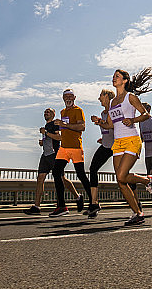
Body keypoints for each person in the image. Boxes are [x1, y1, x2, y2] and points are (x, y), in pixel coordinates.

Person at [97, 68, 152, 226]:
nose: (114, 78)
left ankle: (146, 180)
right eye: (113, 76)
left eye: (117, 77)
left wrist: (133, 120)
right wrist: (99, 122)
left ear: (124, 81)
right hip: (118, 142)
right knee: (120, 180)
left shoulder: (130, 97)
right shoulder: (112, 102)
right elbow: (110, 124)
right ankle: (138, 213)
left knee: (123, 176)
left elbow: (146, 114)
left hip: (132, 139)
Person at [23, 108, 81, 215]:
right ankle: (36, 207)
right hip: (45, 156)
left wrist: (47, 133)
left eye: (48, 112)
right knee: (40, 179)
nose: (46, 113)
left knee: (62, 179)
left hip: (55, 156)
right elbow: (50, 139)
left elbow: (60, 137)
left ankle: (77, 197)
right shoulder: (46, 126)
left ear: (53, 114)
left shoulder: (55, 124)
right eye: (45, 111)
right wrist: (43, 142)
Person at [49, 89, 92, 217]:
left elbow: (82, 127)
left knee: (81, 175)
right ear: (63, 98)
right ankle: (62, 206)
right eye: (66, 96)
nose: (68, 98)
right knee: (56, 172)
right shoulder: (63, 112)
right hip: (64, 148)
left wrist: (64, 125)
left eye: (70, 96)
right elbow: (64, 130)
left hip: (75, 147)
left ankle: (94, 202)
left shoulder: (78, 110)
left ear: (74, 97)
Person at [87, 89, 115, 218]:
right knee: (93, 169)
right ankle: (94, 203)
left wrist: (99, 122)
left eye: (101, 96)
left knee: (122, 175)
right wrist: (103, 138)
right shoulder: (103, 113)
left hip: (117, 147)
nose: (99, 99)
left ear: (107, 97)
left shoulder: (114, 111)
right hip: (105, 146)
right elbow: (106, 130)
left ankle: (136, 202)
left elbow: (113, 126)